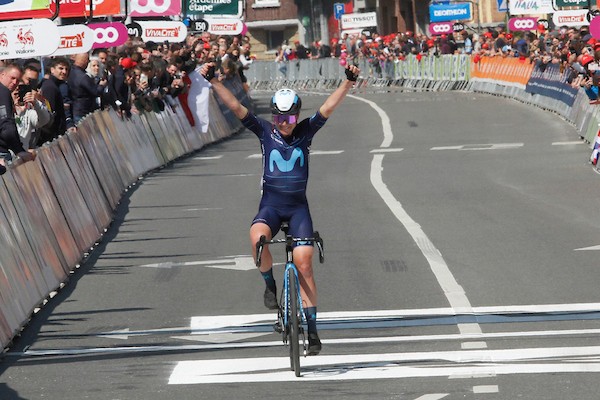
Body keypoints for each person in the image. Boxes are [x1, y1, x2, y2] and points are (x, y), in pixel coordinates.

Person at [200, 61, 361, 356]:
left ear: (296, 115)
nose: (283, 122)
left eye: (288, 116)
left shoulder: (306, 132)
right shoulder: (264, 132)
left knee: (304, 263)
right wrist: (214, 81)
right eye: (278, 116)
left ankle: (312, 332)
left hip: (298, 209)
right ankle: (269, 286)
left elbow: (328, 107)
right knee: (257, 239)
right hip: (271, 207)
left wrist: (347, 83)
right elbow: (236, 108)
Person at [0, 64, 36, 174]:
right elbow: (6, 124)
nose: (15, 82)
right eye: (12, 78)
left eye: (18, 79)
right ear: (2, 75)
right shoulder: (3, 92)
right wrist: (19, 150)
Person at [39, 57, 73, 145]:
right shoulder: (50, 87)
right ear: (52, 70)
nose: (64, 72)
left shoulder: (56, 85)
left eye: (66, 69)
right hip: (51, 136)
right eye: (61, 68)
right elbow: (49, 112)